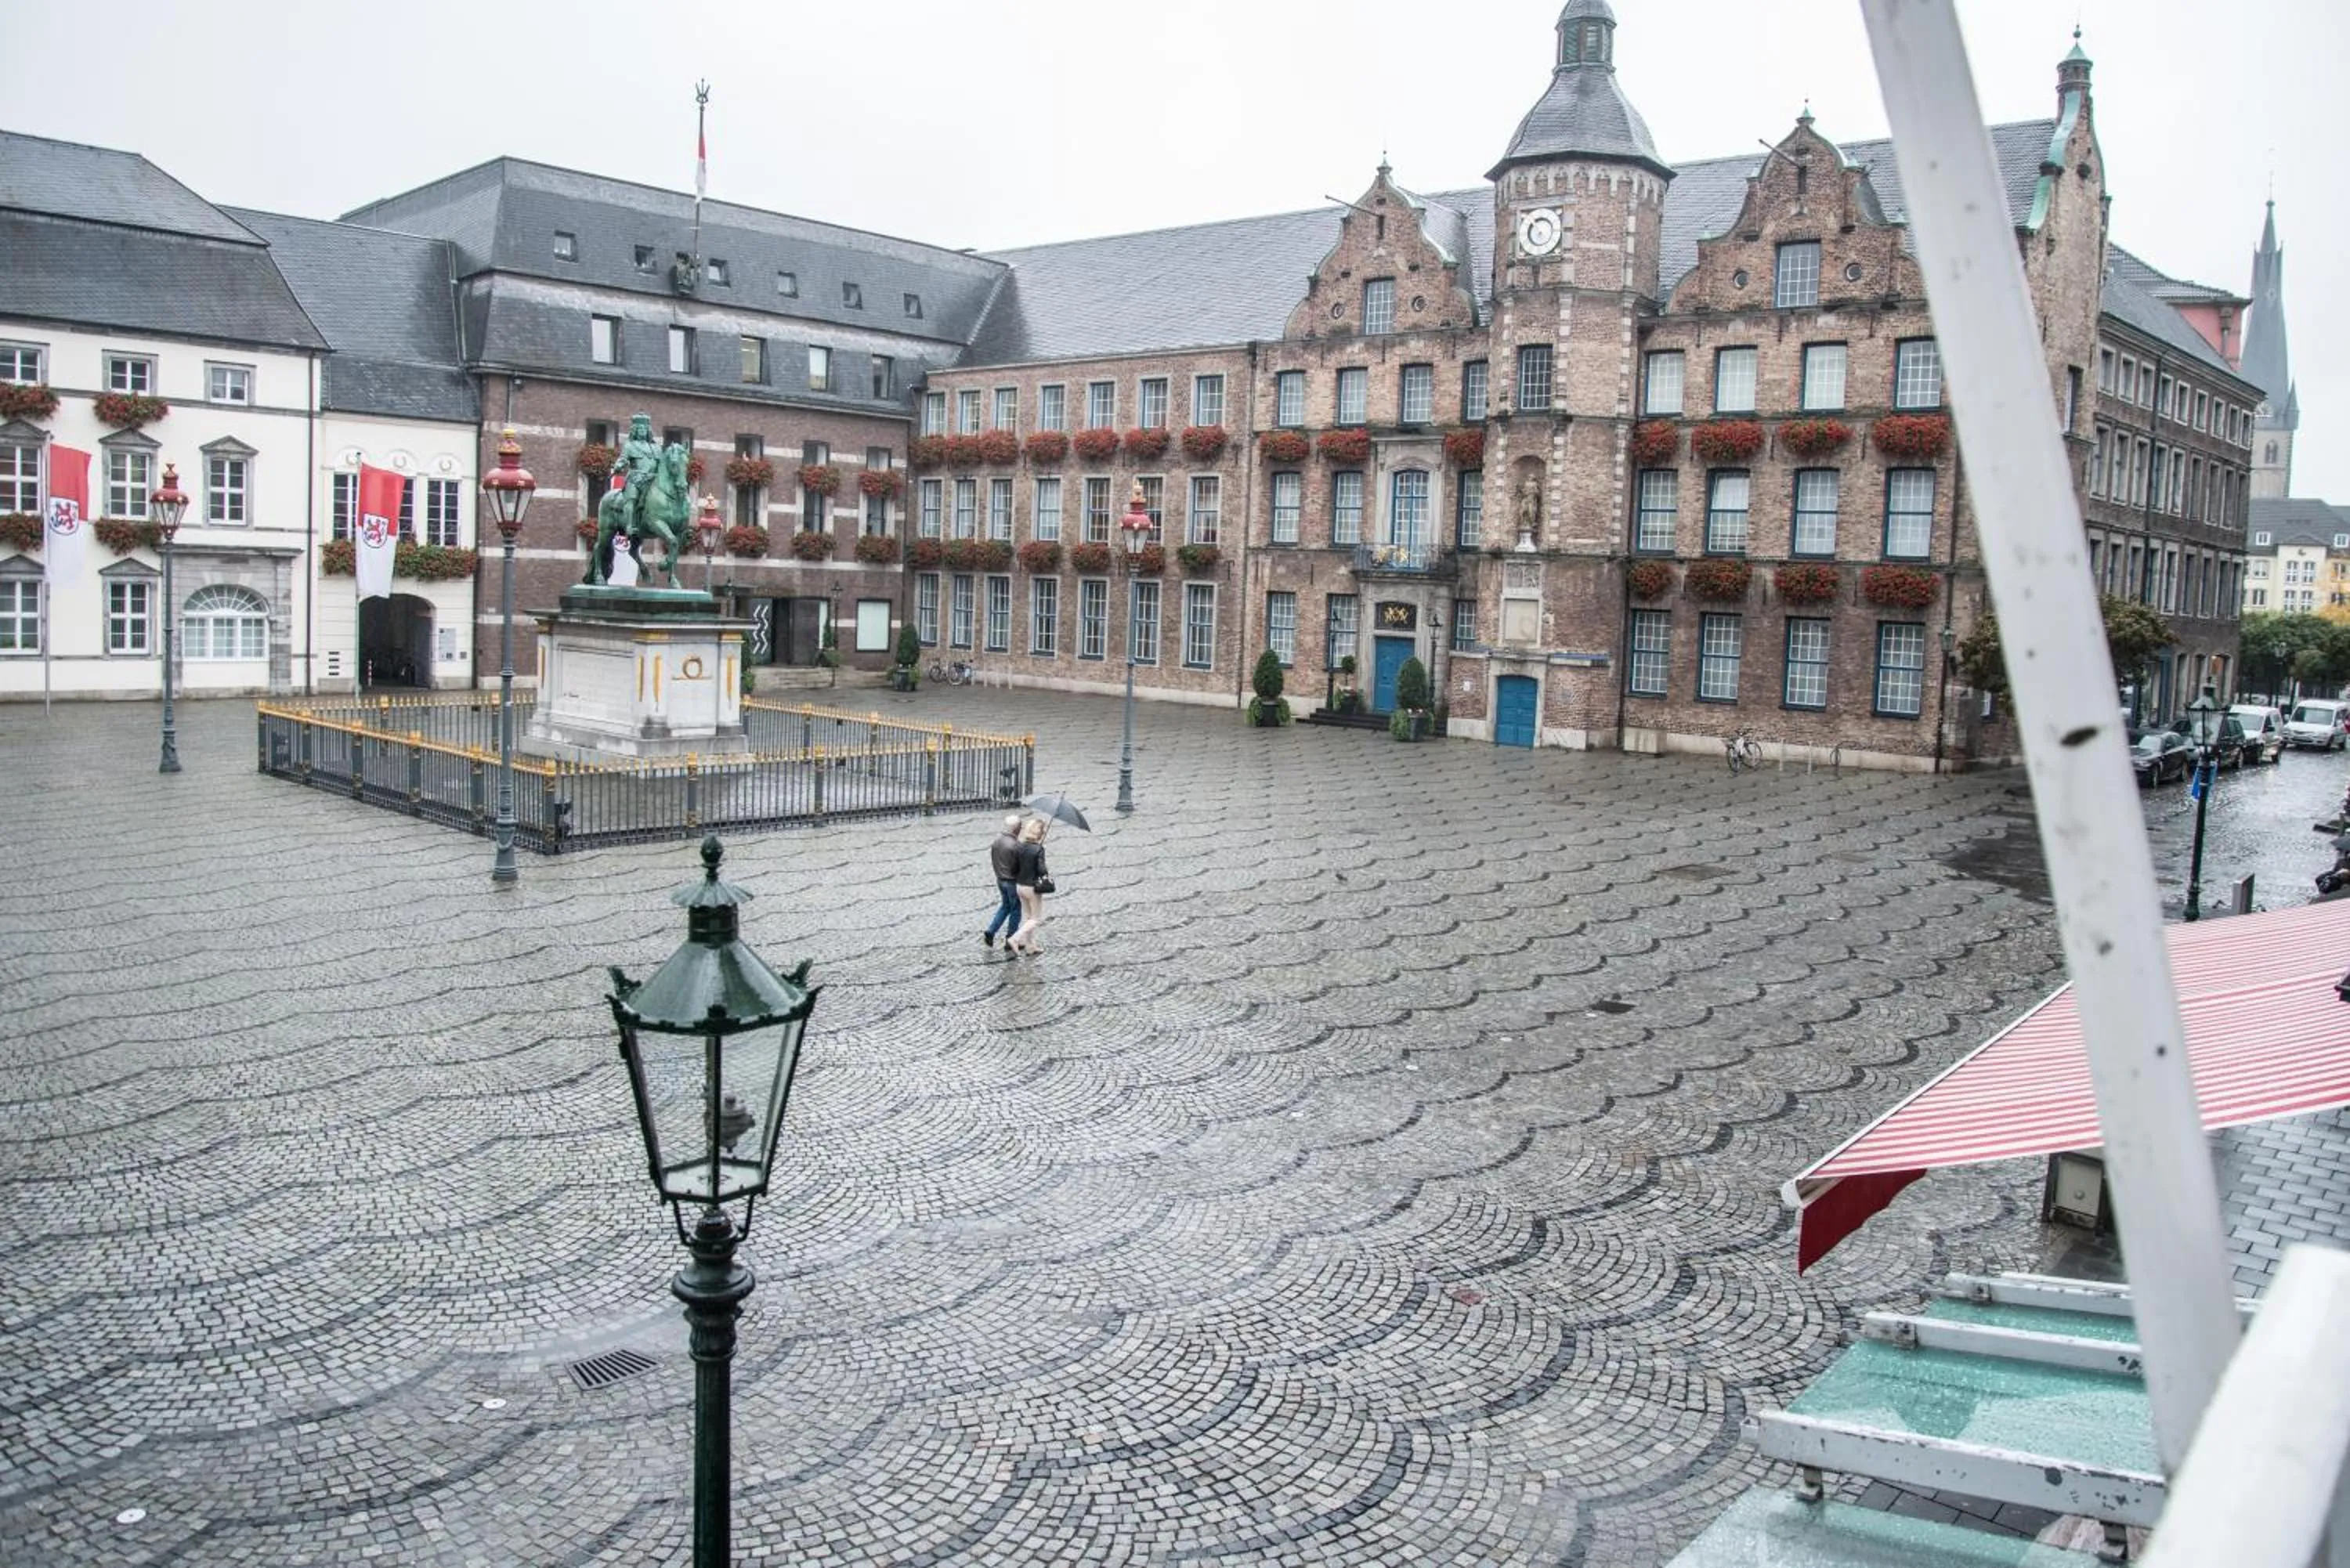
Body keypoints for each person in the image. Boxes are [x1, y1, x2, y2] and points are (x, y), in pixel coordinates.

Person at [1007, 817, 1050, 957]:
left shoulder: (1019, 846)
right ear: (1039, 833)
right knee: (1036, 919)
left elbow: (1013, 868)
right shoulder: (1038, 849)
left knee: (1028, 917)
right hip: (1032, 888)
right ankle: (1015, 939)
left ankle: (1031, 947)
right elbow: (1042, 871)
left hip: (1020, 886)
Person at [982, 814, 1023, 949]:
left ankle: (991, 931)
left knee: (1005, 906)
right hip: (1012, 881)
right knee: (1015, 909)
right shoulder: (1016, 845)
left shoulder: (997, 840)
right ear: (1017, 828)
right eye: (1020, 826)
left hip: (1000, 879)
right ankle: (1011, 939)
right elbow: (1019, 867)